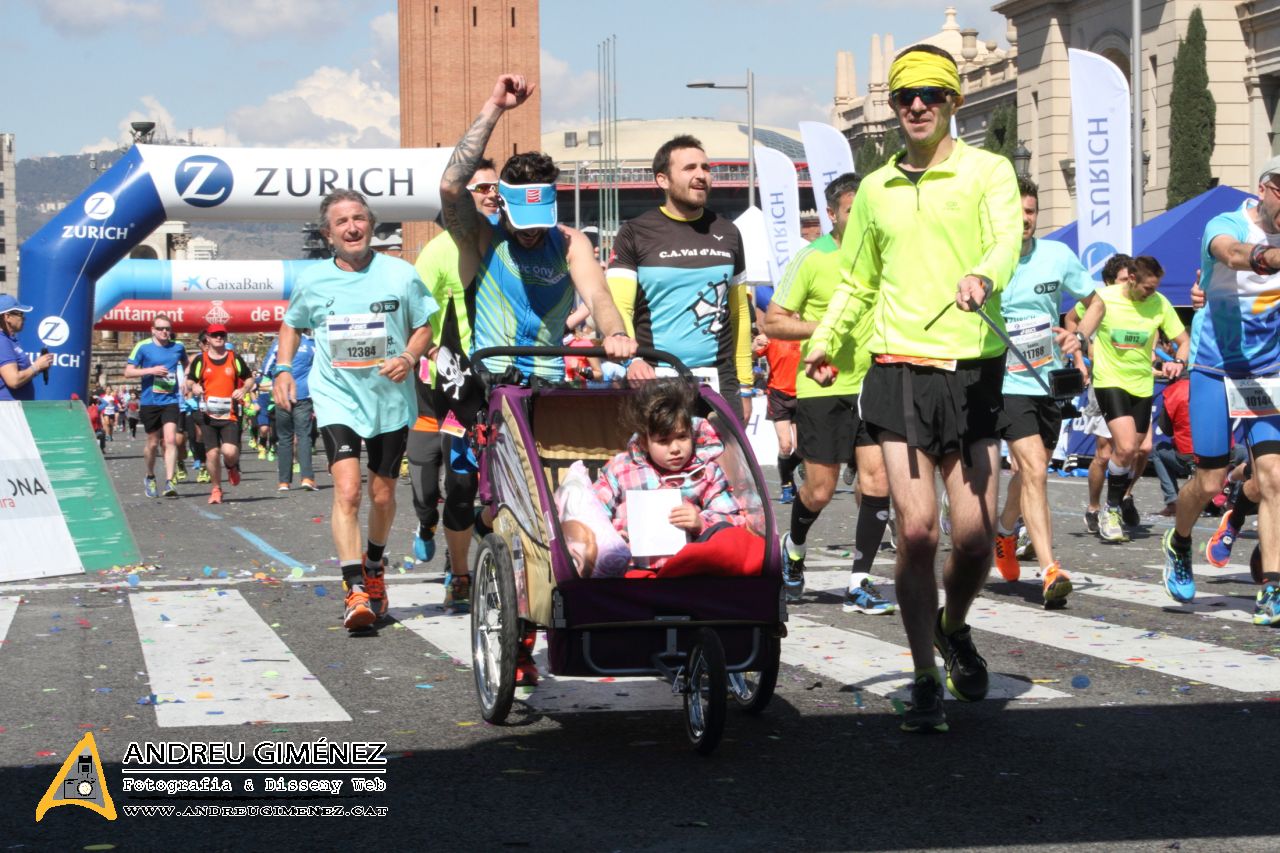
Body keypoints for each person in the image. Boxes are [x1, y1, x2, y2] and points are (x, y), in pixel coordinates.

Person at [803, 44, 1024, 733]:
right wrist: (825, 344)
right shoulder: (873, 189)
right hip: (895, 366)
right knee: (920, 531)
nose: (918, 106)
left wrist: (983, 277)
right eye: (905, 97)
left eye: (931, 93)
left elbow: (1005, 241)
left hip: (971, 368)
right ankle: (925, 673)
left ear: (953, 100)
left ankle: (953, 625)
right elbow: (857, 279)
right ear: (895, 107)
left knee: (976, 537)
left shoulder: (989, 170)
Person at [438, 73, 642, 606]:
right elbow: (449, 187)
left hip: (548, 386)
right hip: (490, 388)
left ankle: (552, 594)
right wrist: (494, 106)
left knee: (550, 502)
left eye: (539, 220)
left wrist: (616, 334)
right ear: (502, 206)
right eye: (520, 220)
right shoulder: (482, 236)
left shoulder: (569, 242)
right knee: (490, 501)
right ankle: (487, 576)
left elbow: (598, 298)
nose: (530, 232)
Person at [274, 189, 437, 632]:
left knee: (383, 494)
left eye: (359, 218)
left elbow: (425, 325)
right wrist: (283, 369)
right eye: (342, 221)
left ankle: (375, 566)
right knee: (347, 491)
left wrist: (407, 357)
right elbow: (291, 323)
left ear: (371, 225)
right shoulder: (313, 281)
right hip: (336, 396)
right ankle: (354, 590)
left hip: (389, 399)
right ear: (329, 234)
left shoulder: (400, 274)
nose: (352, 227)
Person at [764, 171, 896, 616]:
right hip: (824, 385)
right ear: (832, 214)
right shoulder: (813, 258)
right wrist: (826, 326)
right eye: (850, 210)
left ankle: (860, 581)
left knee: (878, 482)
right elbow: (774, 321)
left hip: (876, 383)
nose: (860, 217)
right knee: (819, 491)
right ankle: (794, 546)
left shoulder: (885, 255)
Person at [1162, 157, 1280, 612]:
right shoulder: (1228, 221)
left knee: (1273, 477)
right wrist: (1269, 256)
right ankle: (1180, 539)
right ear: (1264, 189)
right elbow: (1231, 253)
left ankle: (1271, 587)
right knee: (1209, 479)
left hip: (1266, 372)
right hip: (1215, 367)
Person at [991, 177, 1103, 608]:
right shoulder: (986, 259)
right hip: (1004, 383)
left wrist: (1081, 338)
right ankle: (1050, 569)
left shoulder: (1057, 255)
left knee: (1027, 472)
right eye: (1016, 211)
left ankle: (1005, 528)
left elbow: (1096, 302)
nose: (1024, 219)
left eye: (1031, 211)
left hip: (1046, 382)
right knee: (1035, 467)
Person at [607, 134, 750, 410]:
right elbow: (619, 307)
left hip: (720, 380)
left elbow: (739, 311)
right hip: (654, 377)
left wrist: (744, 384)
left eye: (705, 168)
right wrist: (631, 361)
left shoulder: (729, 232)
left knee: (724, 455)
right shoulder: (635, 232)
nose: (701, 175)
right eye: (689, 168)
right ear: (662, 180)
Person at [407, 159, 497, 574]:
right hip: (440, 384)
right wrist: (423, 349)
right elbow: (415, 314)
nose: (491, 194)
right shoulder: (437, 250)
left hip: (490, 379)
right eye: (480, 189)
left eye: (495, 188)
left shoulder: (506, 246)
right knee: (428, 483)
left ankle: (457, 564)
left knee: (464, 484)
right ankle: (426, 522)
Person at [1085, 255, 1189, 543]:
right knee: (1126, 445)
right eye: (1147, 288)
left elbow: (1183, 342)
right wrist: (1076, 340)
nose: (1151, 293)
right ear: (1131, 279)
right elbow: (1083, 327)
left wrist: (1177, 362)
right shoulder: (1105, 297)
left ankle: (1116, 503)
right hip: (1109, 381)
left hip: (1141, 385)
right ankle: (1109, 509)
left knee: (1134, 452)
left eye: (1155, 288)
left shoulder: (1159, 303)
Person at [593, 378, 747, 570]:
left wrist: (700, 522)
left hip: (687, 570)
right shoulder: (620, 468)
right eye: (663, 441)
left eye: (682, 437)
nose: (675, 448)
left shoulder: (706, 470)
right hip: (629, 568)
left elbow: (732, 518)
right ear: (643, 442)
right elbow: (594, 511)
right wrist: (617, 533)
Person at [187, 323, 254, 504]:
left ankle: (231, 466)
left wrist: (244, 389)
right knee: (212, 453)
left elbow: (249, 378)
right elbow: (189, 381)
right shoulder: (201, 360)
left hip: (229, 414)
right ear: (207, 338)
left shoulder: (234, 358)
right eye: (215, 335)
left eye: (222, 335)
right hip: (207, 415)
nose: (219, 338)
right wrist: (194, 387)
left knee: (229, 451)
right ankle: (216, 488)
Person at [124, 313, 188, 498]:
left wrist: (186, 379)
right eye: (160, 328)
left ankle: (169, 482)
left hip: (171, 400)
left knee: (170, 440)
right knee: (152, 443)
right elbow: (127, 372)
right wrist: (151, 370)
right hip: (150, 401)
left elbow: (187, 363)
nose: (164, 332)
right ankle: (150, 476)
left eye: (167, 328)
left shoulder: (178, 347)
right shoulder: (142, 347)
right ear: (153, 330)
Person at [260, 332, 318, 491]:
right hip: (303, 395)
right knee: (303, 436)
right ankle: (307, 478)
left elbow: (265, 368)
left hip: (282, 395)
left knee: (284, 438)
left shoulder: (279, 343)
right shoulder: (312, 344)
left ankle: (284, 482)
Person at [751, 330, 801, 502]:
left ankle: (788, 471)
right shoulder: (771, 337)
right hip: (778, 395)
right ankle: (786, 484)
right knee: (785, 445)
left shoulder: (806, 334)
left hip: (802, 394)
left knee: (802, 447)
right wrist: (755, 344)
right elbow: (750, 355)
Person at [0, 295, 54, 403]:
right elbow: (13, 380)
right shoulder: (2, 341)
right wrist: (37, 366)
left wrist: (40, 365)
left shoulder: (10, 340)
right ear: (7, 317)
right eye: (21, 314)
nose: (24, 318)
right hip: (8, 411)